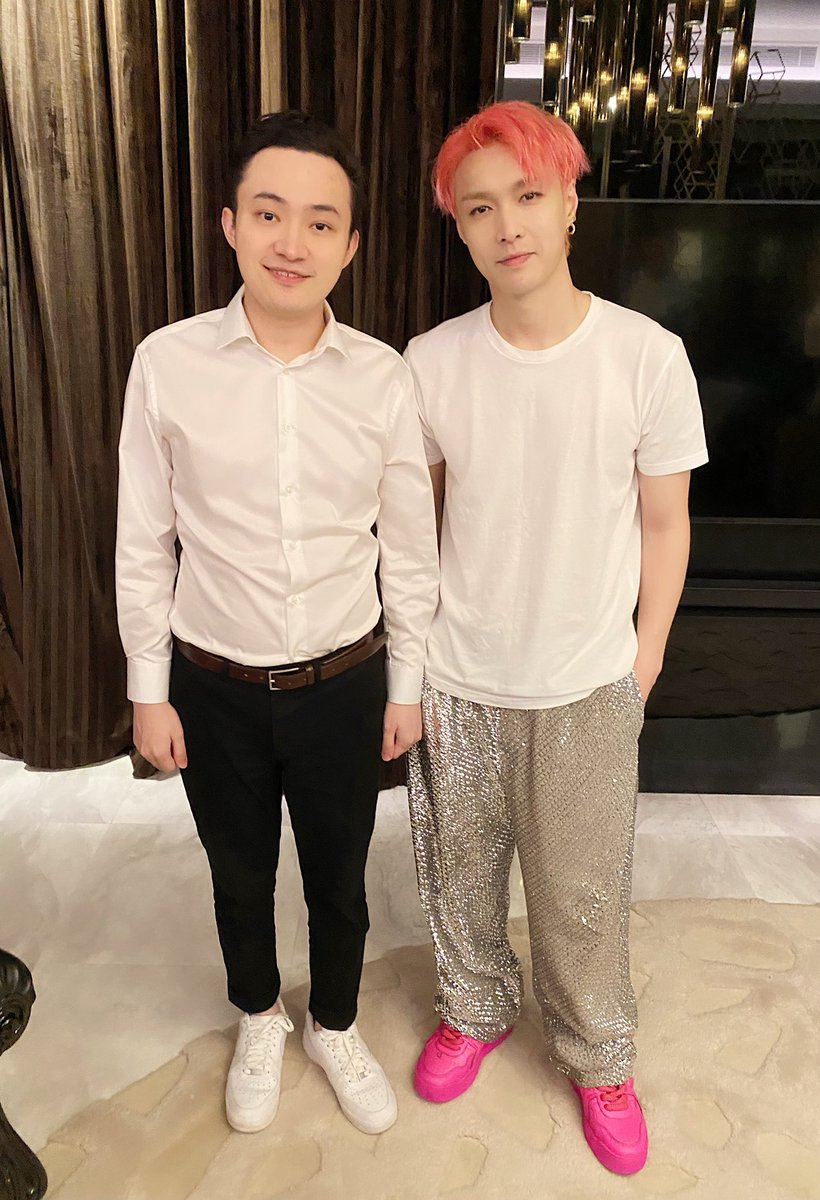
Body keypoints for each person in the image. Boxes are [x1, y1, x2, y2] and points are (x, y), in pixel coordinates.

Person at [115, 110, 439, 1137]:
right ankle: (258, 1014)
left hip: (345, 682)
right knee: (238, 873)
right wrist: (148, 690)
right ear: (230, 224)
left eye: (319, 222)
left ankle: (334, 1024)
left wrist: (406, 686)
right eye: (268, 214)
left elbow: (411, 548)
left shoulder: (384, 377)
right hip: (211, 684)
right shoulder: (168, 363)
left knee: (341, 878)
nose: (291, 242)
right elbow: (142, 540)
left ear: (350, 244)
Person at [404, 100, 708, 1176]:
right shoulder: (431, 361)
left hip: (587, 682)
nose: (507, 224)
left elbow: (665, 523)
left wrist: (645, 659)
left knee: (582, 896)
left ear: (570, 201)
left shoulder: (645, 357)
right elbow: (419, 527)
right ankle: (475, 1007)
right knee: (458, 877)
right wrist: (412, 666)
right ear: (458, 227)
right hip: (458, 676)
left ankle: (597, 1055)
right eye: (479, 207)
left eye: (527, 195)